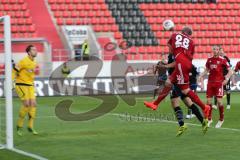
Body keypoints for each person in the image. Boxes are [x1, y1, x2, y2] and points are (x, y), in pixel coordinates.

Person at [144, 26, 210, 121]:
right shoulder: (191, 42)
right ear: (189, 35)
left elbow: (170, 47)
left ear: (182, 32)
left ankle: (204, 107)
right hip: (184, 63)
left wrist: (173, 52)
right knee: (168, 82)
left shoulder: (174, 35)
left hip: (181, 64)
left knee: (185, 90)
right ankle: (155, 104)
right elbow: (189, 57)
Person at [163, 54, 208, 136]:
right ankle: (202, 121)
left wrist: (165, 66)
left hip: (179, 81)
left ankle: (183, 124)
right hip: (176, 80)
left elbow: (178, 64)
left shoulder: (178, 55)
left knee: (177, 102)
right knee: (187, 103)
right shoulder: (171, 55)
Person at [199, 45, 232, 128]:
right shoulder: (209, 60)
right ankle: (209, 119)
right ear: (212, 50)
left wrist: (226, 79)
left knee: (219, 102)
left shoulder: (223, 60)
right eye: (214, 49)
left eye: (217, 49)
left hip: (218, 83)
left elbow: (230, 71)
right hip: (210, 83)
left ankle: (221, 119)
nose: (215, 50)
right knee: (208, 102)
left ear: (219, 50)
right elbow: (207, 70)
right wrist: (201, 75)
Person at [13, 45, 38, 136]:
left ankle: (30, 126)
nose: (36, 51)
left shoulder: (34, 62)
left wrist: (33, 85)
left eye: (36, 49)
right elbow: (14, 71)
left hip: (30, 85)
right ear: (29, 52)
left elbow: (31, 75)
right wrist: (12, 81)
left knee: (33, 104)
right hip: (21, 85)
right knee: (27, 104)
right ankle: (19, 126)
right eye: (33, 50)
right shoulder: (23, 61)